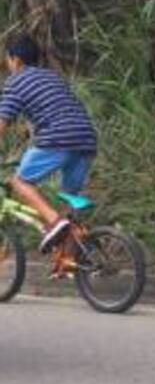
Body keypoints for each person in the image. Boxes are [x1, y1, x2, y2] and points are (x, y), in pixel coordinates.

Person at [0, 32, 99, 253]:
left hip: (58, 138)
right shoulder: (51, 77)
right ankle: (72, 258)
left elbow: (2, 124)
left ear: (16, 60)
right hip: (86, 139)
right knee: (69, 201)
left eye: (7, 60)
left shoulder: (15, 82)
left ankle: (54, 221)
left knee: (19, 182)